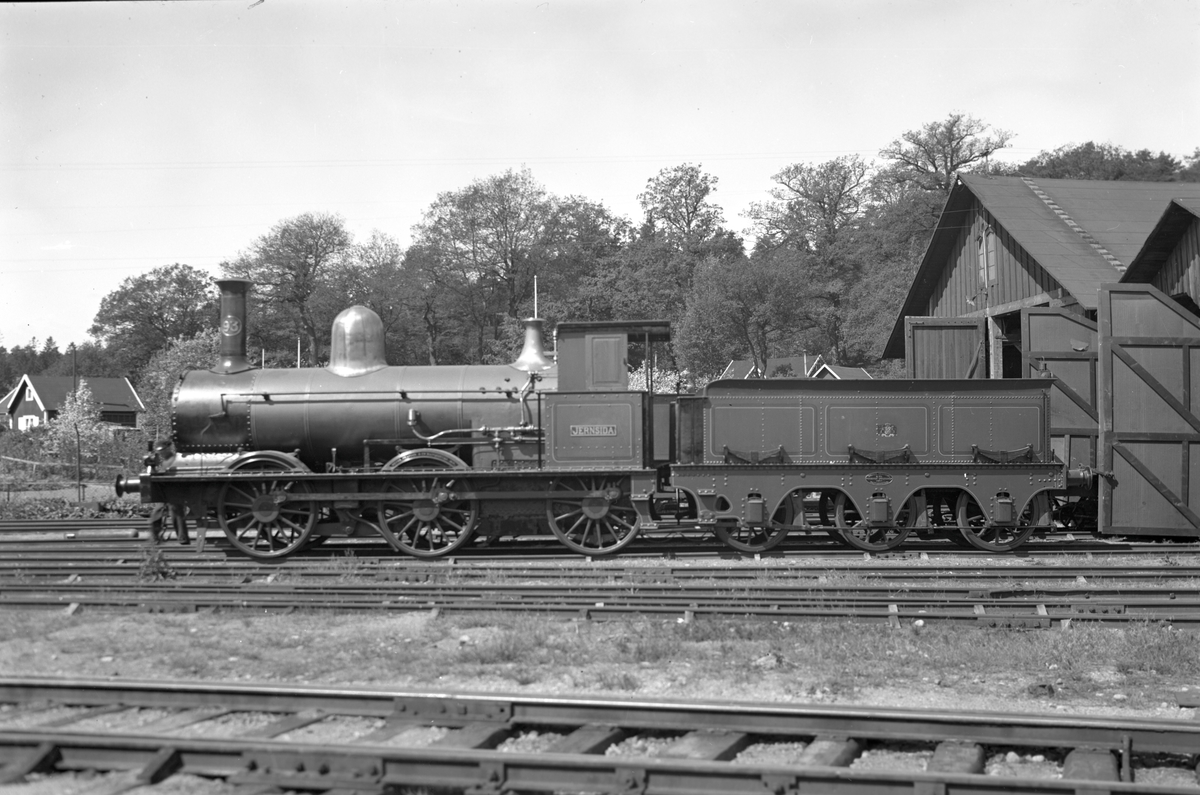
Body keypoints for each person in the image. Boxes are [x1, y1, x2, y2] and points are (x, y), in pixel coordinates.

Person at [148, 439, 191, 545]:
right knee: (157, 512)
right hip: (165, 491)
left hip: (175, 490)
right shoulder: (164, 461)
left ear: (168, 448)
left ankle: (182, 538)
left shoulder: (175, 459)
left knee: (176, 513)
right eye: (159, 451)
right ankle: (155, 537)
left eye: (162, 450)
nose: (161, 452)